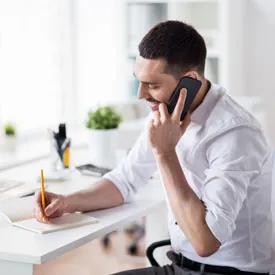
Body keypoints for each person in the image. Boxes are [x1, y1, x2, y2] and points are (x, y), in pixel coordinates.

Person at [34, 21, 274, 275]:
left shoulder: (235, 133)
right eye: (139, 81)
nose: (140, 94)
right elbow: (125, 180)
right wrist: (66, 202)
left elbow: (206, 242)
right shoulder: (165, 114)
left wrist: (164, 152)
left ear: (189, 82)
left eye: (153, 85)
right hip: (179, 267)